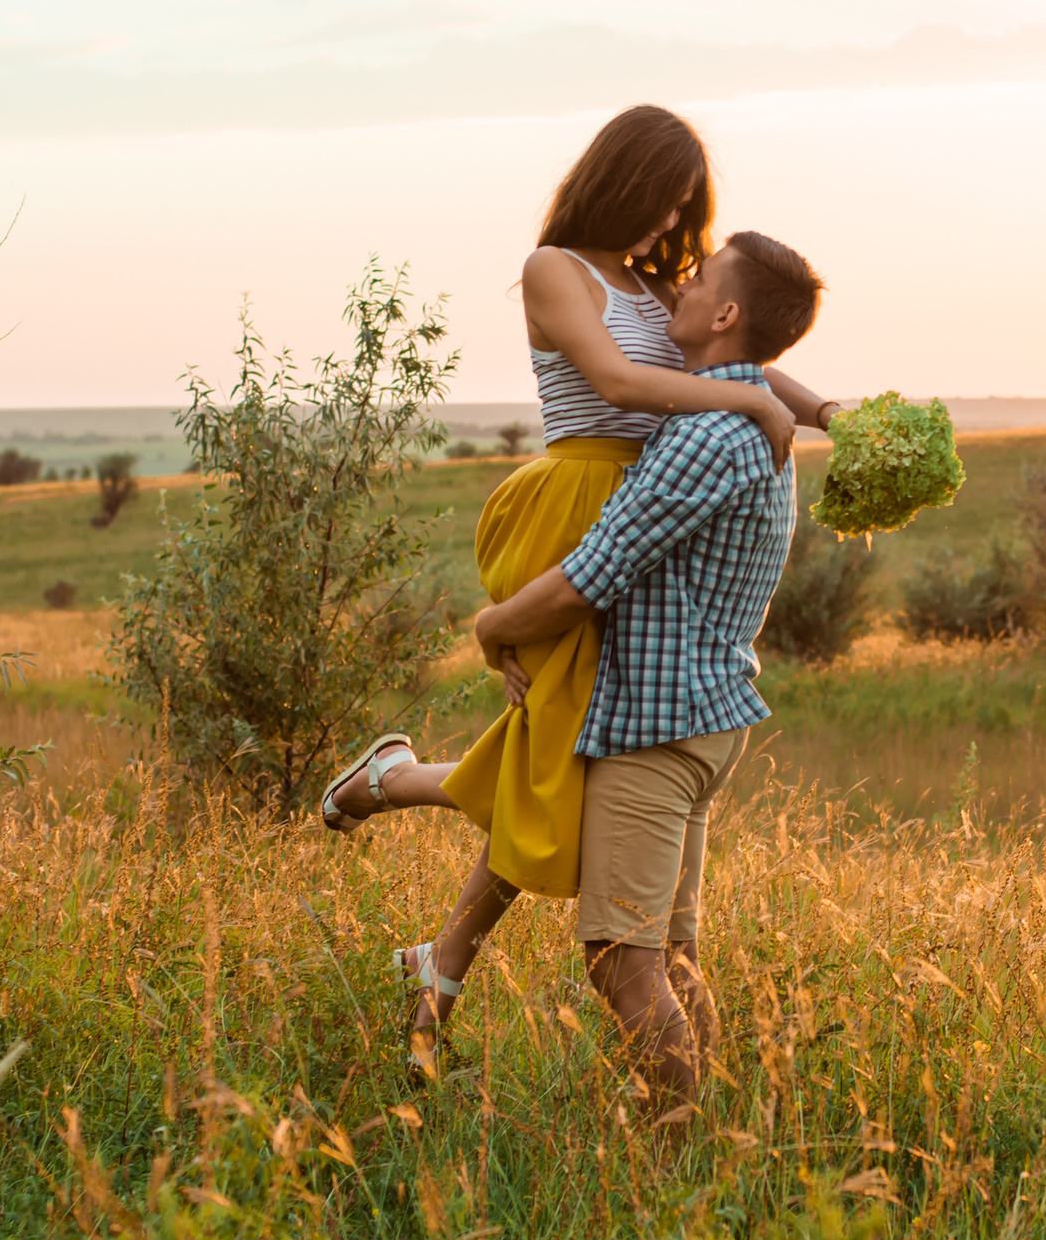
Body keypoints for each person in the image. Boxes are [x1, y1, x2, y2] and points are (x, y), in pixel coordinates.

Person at [316, 107, 839, 1070]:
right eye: (659, 204)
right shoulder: (556, 267)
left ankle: (411, 864)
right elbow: (618, 381)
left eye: (684, 212)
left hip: (644, 506)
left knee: (551, 761)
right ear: (620, 182)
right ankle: (431, 916)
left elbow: (749, 352)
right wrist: (748, 402)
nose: (665, 230)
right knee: (553, 754)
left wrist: (821, 406)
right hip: (578, 502)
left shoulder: (660, 283)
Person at [470, 230, 822, 1111]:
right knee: (669, 957)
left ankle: (674, 1169)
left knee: (623, 969)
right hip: (706, 720)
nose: (679, 289)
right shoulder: (742, 420)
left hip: (657, 735)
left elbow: (593, 572)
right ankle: (715, 1139)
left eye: (699, 279)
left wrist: (493, 624)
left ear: (726, 314)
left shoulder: (706, 435)